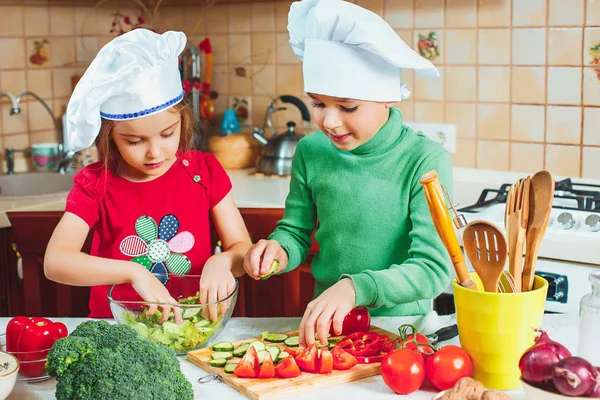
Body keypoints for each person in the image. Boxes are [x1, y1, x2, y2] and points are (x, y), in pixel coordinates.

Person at [244, 0, 453, 347]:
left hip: (404, 332)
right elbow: (296, 233)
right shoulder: (311, 151)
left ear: (387, 98)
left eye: (348, 106)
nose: (329, 121)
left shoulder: (425, 159)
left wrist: (357, 287)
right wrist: (278, 251)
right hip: (327, 326)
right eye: (318, 103)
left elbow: (431, 270)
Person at [44, 29, 251, 323]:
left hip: (192, 325)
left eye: (168, 134)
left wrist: (224, 260)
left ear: (184, 120)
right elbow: (55, 261)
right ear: (110, 136)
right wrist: (134, 272)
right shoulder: (96, 184)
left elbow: (242, 250)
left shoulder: (203, 171)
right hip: (118, 329)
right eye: (134, 141)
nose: (155, 152)